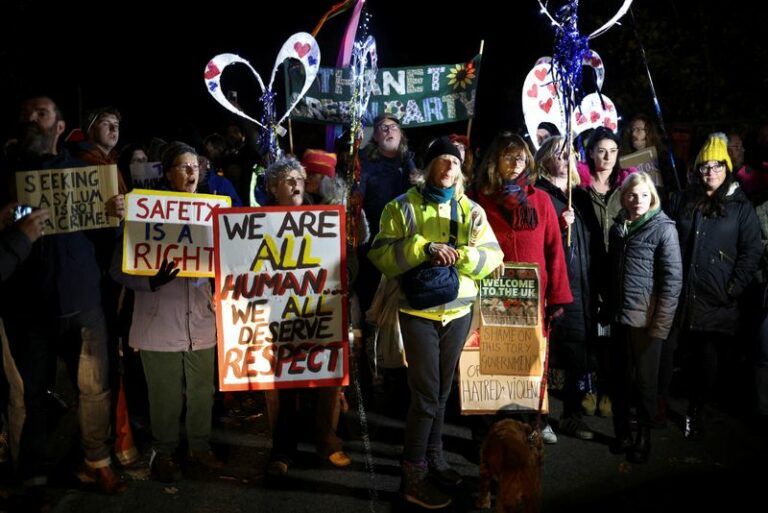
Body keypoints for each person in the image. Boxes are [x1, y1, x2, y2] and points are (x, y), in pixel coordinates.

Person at [0, 96, 127, 509]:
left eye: (40, 113)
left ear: (59, 126)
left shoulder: (85, 173)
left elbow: (105, 241)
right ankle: (33, 476)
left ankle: (97, 460)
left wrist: (115, 214)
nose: (30, 120)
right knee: (30, 397)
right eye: (25, 114)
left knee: (94, 388)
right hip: (26, 309)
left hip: (83, 301)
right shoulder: (4, 178)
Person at [369, 137, 502, 509]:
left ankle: (434, 455)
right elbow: (380, 254)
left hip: (458, 311)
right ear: (427, 167)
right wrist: (422, 249)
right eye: (441, 161)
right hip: (417, 312)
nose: (447, 169)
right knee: (426, 394)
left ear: (461, 171)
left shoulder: (472, 211)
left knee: (443, 392)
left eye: (454, 163)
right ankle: (411, 475)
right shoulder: (400, 207)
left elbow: (492, 257)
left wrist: (459, 256)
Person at [110, 142, 225, 482]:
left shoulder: (212, 213)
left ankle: (200, 448)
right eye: (183, 166)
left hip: (201, 319)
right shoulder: (145, 212)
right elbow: (117, 268)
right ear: (168, 172)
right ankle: (164, 450)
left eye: (195, 167)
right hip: (158, 320)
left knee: (204, 389)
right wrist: (150, 281)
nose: (191, 172)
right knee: (165, 393)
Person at [473, 131, 573, 445]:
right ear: (494, 161)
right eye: (508, 156)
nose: (516, 163)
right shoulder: (479, 201)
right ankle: (491, 428)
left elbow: (554, 249)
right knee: (492, 362)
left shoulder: (541, 200)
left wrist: (558, 296)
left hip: (532, 296)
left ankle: (529, 423)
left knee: (529, 362)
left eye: (521, 157)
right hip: (491, 293)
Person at [668, 133, 762, 440]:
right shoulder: (684, 199)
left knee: (707, 361)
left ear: (728, 168)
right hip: (681, 293)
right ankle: (657, 405)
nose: (711, 172)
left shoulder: (740, 207)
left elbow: (751, 252)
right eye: (705, 166)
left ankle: (696, 412)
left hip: (716, 297)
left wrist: (732, 288)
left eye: (718, 166)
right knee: (677, 354)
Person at [607, 172, 682, 463]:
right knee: (621, 380)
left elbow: (672, 281)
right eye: (631, 195)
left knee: (646, 384)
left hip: (647, 322)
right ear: (623, 198)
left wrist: (660, 325)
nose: (637, 201)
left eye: (643, 195)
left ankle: (644, 435)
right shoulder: (619, 229)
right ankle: (623, 431)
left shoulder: (664, 229)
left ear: (652, 197)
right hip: (620, 317)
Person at [534, 136, 596, 441]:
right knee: (546, 354)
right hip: (554, 286)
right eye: (557, 152)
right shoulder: (540, 195)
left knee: (576, 354)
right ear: (544, 159)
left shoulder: (580, 196)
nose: (564, 157)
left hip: (580, 286)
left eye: (568, 152)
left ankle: (572, 415)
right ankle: (540, 416)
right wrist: (559, 226)